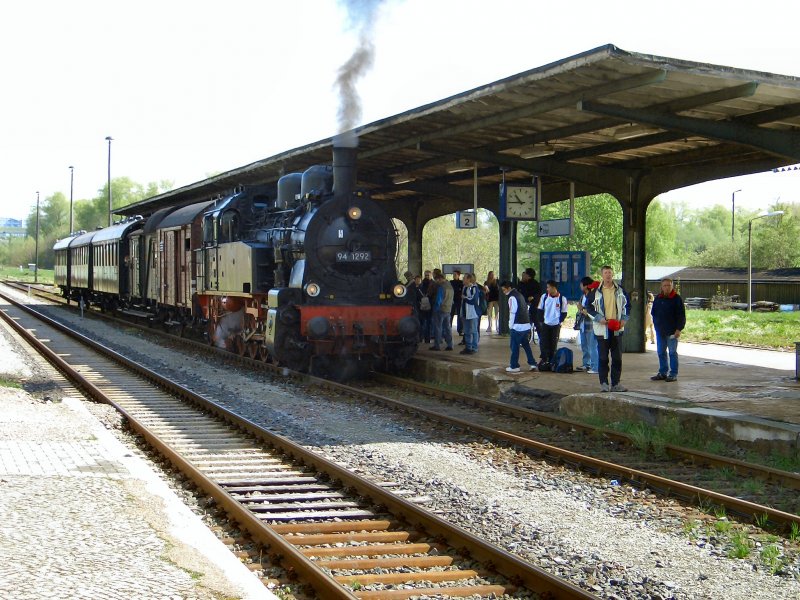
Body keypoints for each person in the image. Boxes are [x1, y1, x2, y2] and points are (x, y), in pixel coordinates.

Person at [585, 265, 629, 392]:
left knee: (617, 358)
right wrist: (599, 318)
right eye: (605, 273)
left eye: (610, 272)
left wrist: (624, 319)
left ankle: (616, 384)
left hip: (617, 328)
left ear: (612, 274)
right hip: (602, 329)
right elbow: (589, 309)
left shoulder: (620, 290)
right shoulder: (595, 292)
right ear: (602, 275)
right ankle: (604, 383)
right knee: (603, 358)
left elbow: (627, 306)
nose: (608, 275)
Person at [650, 277, 686, 382]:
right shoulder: (658, 298)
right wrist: (656, 325)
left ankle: (673, 374)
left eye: (669, 285)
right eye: (665, 285)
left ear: (672, 286)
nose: (667, 287)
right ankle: (662, 373)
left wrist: (679, 329)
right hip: (660, 331)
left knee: (672, 353)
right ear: (661, 287)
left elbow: (681, 316)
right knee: (661, 352)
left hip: (672, 332)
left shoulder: (677, 299)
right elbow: (653, 312)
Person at [500, 281, 537, 373]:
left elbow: (513, 312)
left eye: (504, 290)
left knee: (514, 346)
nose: (503, 292)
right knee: (526, 345)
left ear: (509, 288)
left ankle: (514, 366)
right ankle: (532, 363)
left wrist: (510, 325)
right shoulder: (519, 295)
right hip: (526, 324)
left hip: (517, 326)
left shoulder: (512, 297)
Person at [536, 280, 568, 366]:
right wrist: (541, 321)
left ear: (554, 288)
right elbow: (540, 309)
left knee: (553, 343)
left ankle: (551, 360)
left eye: (548, 287)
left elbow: (564, 312)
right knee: (543, 342)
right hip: (545, 324)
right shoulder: (544, 297)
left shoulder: (562, 299)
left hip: (556, 325)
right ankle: (544, 359)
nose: (547, 289)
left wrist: (559, 321)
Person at [575, 276, 599, 373]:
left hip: (591, 324)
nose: (580, 286)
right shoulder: (583, 296)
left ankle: (595, 366)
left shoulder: (593, 296)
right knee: (584, 346)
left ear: (586, 286)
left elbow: (592, 311)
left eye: (581, 284)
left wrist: (582, 308)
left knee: (592, 346)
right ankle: (586, 364)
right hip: (583, 324)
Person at [517, 268, 542, 344]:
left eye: (525, 273)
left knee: (536, 322)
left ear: (528, 276)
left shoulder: (535, 284)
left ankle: (541, 339)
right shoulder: (521, 283)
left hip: (533, 306)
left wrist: (533, 297)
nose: (523, 274)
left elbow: (538, 295)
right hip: (523, 305)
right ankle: (524, 337)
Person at [430, 273, 454, 351]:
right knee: (448, 328)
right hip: (448, 309)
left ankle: (437, 345)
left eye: (437, 280)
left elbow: (438, 300)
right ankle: (450, 344)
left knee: (438, 328)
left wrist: (435, 309)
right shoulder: (450, 287)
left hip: (440, 310)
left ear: (440, 279)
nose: (436, 282)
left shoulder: (441, 287)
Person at [460, 273, 480, 354]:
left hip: (473, 313)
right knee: (466, 331)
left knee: (474, 330)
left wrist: (465, 298)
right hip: (465, 313)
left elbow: (473, 300)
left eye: (464, 278)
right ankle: (468, 347)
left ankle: (474, 348)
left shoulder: (474, 288)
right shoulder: (464, 288)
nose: (463, 279)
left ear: (469, 279)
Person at [419, 270, 434, 344]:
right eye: (426, 275)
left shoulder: (422, 284)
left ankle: (424, 338)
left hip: (426, 305)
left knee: (426, 322)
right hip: (426, 305)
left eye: (428, 275)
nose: (427, 276)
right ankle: (425, 338)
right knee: (426, 322)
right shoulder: (431, 284)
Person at [450, 270, 464, 340]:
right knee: (450, 315)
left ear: (458, 275)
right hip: (452, 301)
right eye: (453, 274)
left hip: (459, 300)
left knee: (459, 316)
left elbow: (462, 291)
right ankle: (448, 329)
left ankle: (460, 330)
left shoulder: (461, 283)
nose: (454, 276)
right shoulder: (451, 282)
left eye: (455, 274)